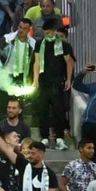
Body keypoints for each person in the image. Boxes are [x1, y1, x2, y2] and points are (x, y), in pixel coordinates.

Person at [33, 18, 74, 150]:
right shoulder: (39, 44)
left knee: (59, 111)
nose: (47, 36)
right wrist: (35, 79)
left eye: (49, 33)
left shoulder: (64, 45)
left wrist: (68, 79)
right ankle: (44, 137)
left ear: (54, 32)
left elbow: (69, 63)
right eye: (45, 33)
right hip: (44, 81)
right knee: (43, 110)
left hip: (57, 82)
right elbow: (37, 62)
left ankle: (60, 138)